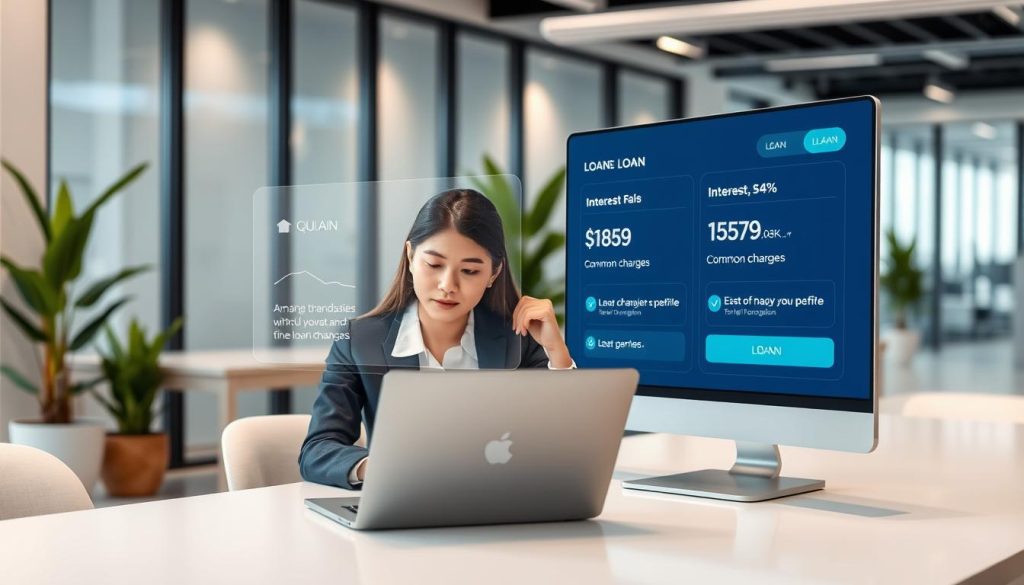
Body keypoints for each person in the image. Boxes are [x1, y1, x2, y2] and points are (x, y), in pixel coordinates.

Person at [299, 188, 575, 489]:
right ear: (410, 256)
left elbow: (567, 442)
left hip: (502, 505)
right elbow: (318, 449)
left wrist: (556, 352)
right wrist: (378, 468)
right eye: (433, 265)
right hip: (404, 508)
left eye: (469, 271)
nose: (448, 285)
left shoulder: (518, 337)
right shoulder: (359, 341)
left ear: (494, 273)